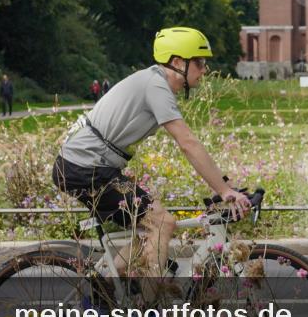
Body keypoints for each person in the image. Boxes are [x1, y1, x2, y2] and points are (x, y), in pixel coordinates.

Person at [52, 27, 251, 282]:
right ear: (178, 62)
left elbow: (189, 144)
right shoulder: (156, 85)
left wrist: (222, 183)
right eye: (199, 62)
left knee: (150, 230)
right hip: (84, 168)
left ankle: (105, 286)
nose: (204, 70)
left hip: (92, 167)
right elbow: (187, 142)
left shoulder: (154, 83)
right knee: (162, 222)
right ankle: (153, 310)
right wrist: (223, 190)